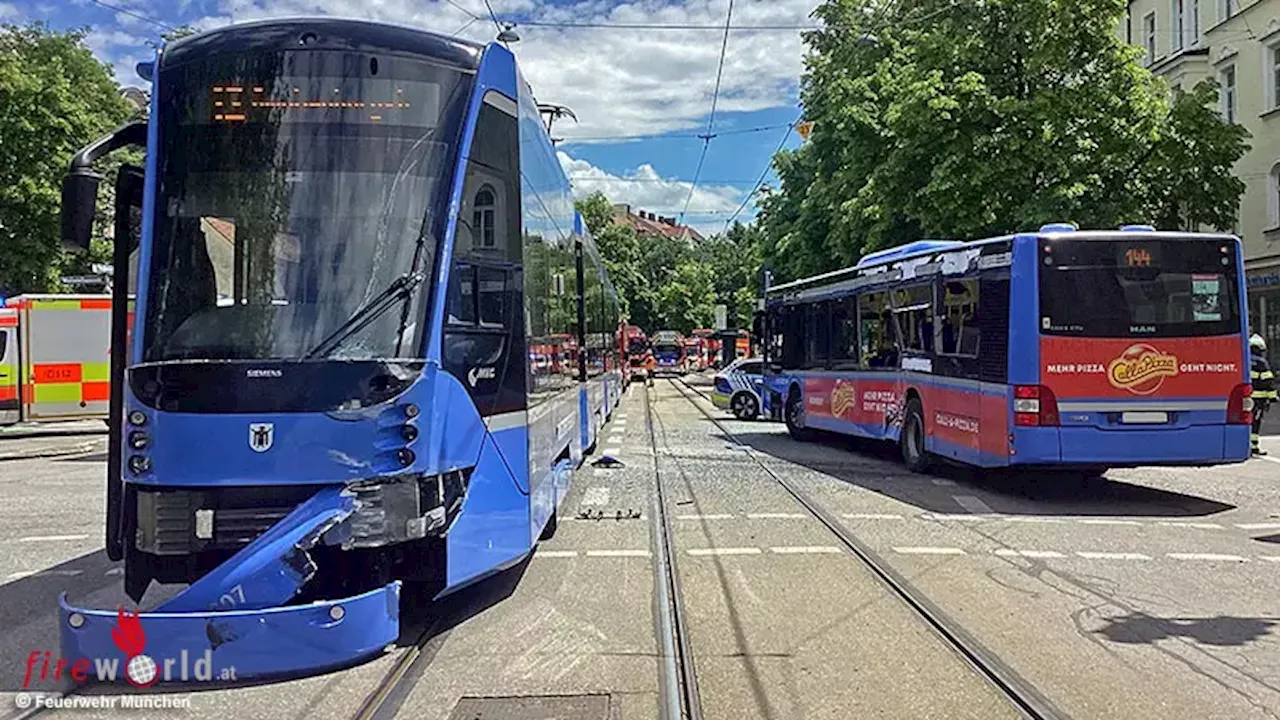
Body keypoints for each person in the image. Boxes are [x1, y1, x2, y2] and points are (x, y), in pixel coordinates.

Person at [1250, 334, 1275, 456]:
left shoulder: (1243, 360)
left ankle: (1245, 444)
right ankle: (1253, 446)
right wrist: (1273, 397)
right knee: (1255, 422)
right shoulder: (1261, 362)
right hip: (1258, 399)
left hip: (1245, 398)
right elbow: (1268, 381)